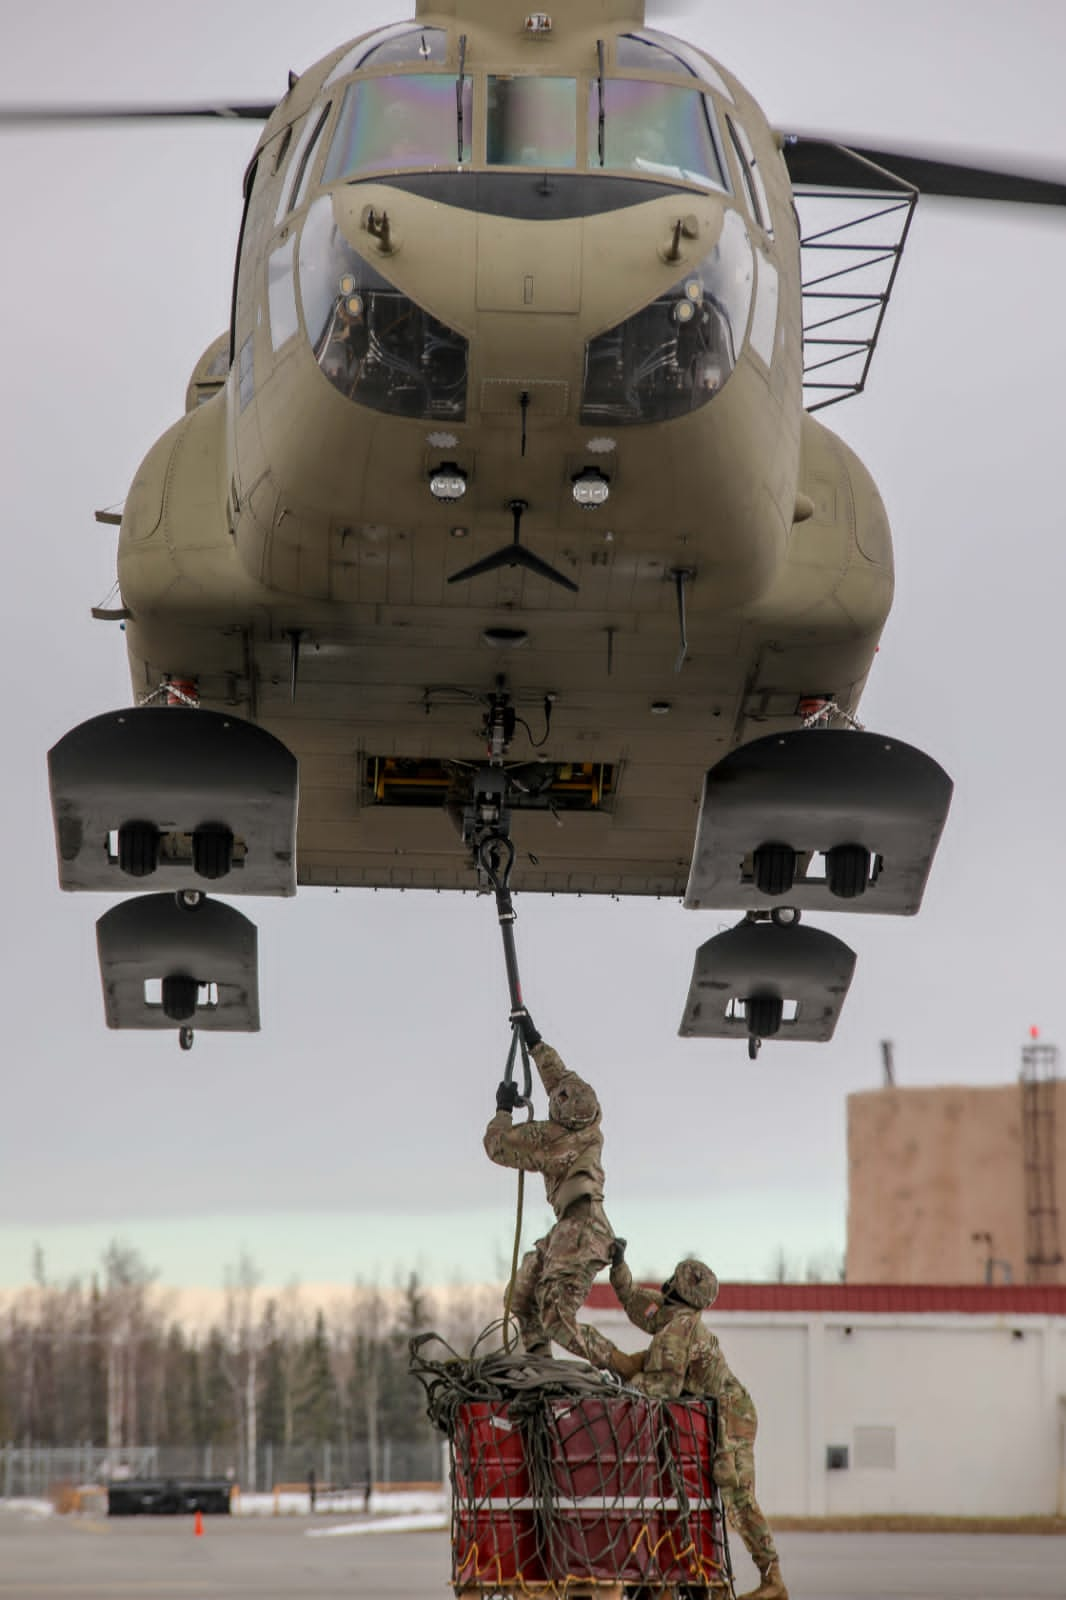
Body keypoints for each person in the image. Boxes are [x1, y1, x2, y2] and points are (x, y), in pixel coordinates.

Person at [581, 1250, 788, 1600]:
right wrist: (618, 1265)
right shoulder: (671, 1315)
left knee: (737, 1494)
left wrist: (622, 1387)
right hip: (720, 1410)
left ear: (677, 1285)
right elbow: (635, 1301)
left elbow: (665, 1387)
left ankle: (773, 1580)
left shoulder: (679, 1328)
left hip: (732, 1413)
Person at [483, 1008, 615, 1362]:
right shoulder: (589, 1122)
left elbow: (497, 1145)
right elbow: (560, 1078)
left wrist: (503, 1110)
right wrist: (534, 1039)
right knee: (521, 1297)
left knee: (556, 1315)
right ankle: (540, 1363)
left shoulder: (552, 1142)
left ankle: (615, 1365)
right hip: (569, 1230)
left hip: (583, 1232)